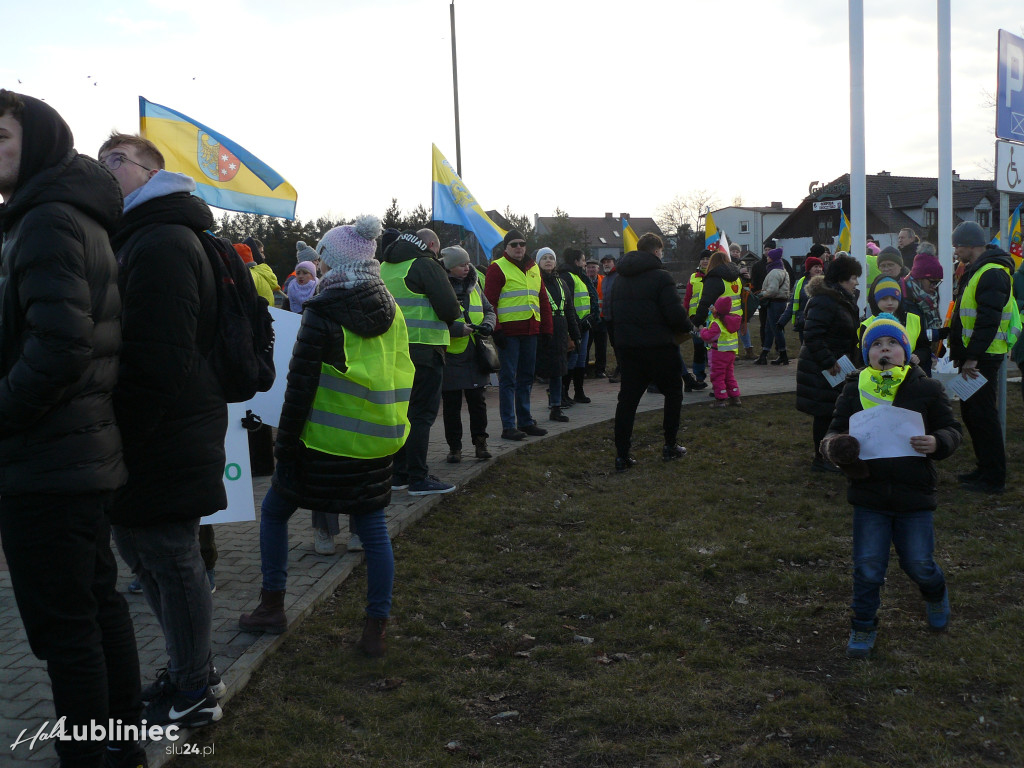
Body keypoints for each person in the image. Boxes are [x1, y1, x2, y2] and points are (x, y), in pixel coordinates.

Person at [0, 90, 147, 768]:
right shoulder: (65, 213)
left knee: (66, 631)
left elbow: (59, 350)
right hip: (78, 453)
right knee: (95, 607)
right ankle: (120, 750)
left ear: (38, 139)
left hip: (46, 461)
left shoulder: (44, 219)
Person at [97, 131, 226, 729]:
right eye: (102, 163)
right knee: (144, 555)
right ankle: (187, 670)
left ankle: (196, 688)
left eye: (118, 161)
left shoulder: (165, 240)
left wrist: (123, 432)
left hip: (164, 429)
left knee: (171, 560)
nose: (107, 171)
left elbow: (161, 356)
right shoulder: (137, 235)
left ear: (153, 172)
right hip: (155, 425)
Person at [239, 216, 407, 659]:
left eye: (323, 256)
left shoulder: (322, 309)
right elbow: (404, 370)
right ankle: (376, 628)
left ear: (331, 261)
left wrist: (284, 443)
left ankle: (271, 605)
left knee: (275, 512)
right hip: (375, 439)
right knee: (373, 529)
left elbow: (300, 385)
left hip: (320, 442)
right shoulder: (392, 308)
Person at [820, 313, 961, 658]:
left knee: (918, 563)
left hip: (914, 495)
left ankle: (935, 591)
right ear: (867, 354)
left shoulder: (926, 388)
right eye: (876, 345)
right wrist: (836, 447)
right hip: (870, 495)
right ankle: (863, 625)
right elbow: (832, 433)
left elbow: (952, 429)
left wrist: (937, 442)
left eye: (892, 344)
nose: (885, 350)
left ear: (906, 351)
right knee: (868, 567)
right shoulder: (854, 388)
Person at [380, 228, 461, 494]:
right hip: (425, 350)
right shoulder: (425, 264)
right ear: (430, 245)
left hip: (391, 351)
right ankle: (418, 477)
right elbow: (450, 309)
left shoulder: (384, 267)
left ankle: (399, 473)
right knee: (421, 415)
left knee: (401, 412)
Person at [609, 232, 691, 471]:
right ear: (657, 251)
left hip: (628, 348)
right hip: (659, 347)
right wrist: (688, 327)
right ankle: (670, 445)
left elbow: (612, 315)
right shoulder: (661, 277)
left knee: (627, 401)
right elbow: (674, 313)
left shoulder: (619, 278)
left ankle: (622, 455)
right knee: (674, 392)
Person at [948, 221, 1018, 494]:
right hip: (977, 354)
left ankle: (993, 477)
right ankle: (984, 468)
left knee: (983, 415)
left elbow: (988, 321)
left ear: (969, 245)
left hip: (983, 358)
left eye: (958, 246)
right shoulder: (978, 271)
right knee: (974, 413)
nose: (956, 251)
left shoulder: (991, 273)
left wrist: (973, 358)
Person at [484, 229, 553, 440]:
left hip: (531, 331)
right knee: (508, 380)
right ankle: (508, 426)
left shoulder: (533, 268)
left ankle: (525, 421)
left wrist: (547, 330)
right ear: (506, 248)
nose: (519, 247)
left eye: (522, 243)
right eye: (514, 244)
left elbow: (543, 300)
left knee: (525, 378)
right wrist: (496, 331)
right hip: (509, 334)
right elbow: (489, 303)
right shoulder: (497, 268)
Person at [796, 254, 863, 472]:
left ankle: (833, 454)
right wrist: (828, 361)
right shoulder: (825, 300)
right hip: (824, 368)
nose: (856, 282)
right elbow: (813, 335)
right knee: (825, 414)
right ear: (843, 278)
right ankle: (822, 458)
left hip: (837, 365)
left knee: (834, 411)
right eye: (854, 277)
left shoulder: (841, 299)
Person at [440, 245, 496, 459]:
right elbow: (433, 318)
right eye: (461, 264)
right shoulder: (439, 287)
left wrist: (489, 324)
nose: (466, 267)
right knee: (452, 405)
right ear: (449, 266)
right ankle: (455, 448)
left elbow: (489, 310)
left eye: (467, 263)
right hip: (451, 354)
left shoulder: (475, 283)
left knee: (478, 403)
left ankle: (481, 444)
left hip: (475, 352)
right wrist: (455, 330)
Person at [534, 248, 577, 421]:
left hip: (560, 329)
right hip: (542, 330)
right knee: (538, 370)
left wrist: (575, 333)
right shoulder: (534, 282)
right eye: (544, 258)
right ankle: (525, 413)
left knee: (558, 370)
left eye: (551, 257)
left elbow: (570, 310)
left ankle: (556, 407)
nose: (548, 261)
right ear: (538, 262)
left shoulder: (562, 283)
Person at [900, 243, 947, 375]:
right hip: (907, 363)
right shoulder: (902, 297)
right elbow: (907, 334)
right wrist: (937, 334)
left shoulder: (929, 297)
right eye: (932, 281)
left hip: (924, 358)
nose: (935, 286)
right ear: (919, 279)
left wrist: (937, 345)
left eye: (938, 282)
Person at [559, 247, 598, 405]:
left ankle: (579, 392)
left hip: (584, 324)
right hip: (574, 326)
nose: (584, 263)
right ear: (575, 261)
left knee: (581, 360)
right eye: (583, 260)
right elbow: (568, 303)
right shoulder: (567, 277)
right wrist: (575, 324)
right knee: (572, 360)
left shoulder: (579, 276)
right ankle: (563, 393)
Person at [699, 295, 742, 406]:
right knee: (729, 375)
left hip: (718, 354)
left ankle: (721, 399)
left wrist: (703, 330)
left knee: (718, 376)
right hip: (730, 353)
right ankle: (735, 397)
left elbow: (708, 337)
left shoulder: (717, 324)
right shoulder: (731, 321)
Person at [779, 255, 823, 344]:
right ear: (809, 269)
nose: (819, 269)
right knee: (805, 349)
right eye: (816, 266)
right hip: (803, 323)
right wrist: (782, 321)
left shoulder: (826, 283)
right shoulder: (801, 282)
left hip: (820, 323)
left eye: (820, 267)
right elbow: (793, 303)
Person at [759, 248, 791, 365]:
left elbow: (772, 290)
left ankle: (783, 354)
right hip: (781, 302)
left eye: (769, 256)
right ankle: (765, 353)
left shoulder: (774, 272)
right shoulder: (784, 271)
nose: (767, 257)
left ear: (773, 258)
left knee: (775, 329)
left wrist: (762, 294)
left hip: (774, 303)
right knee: (770, 328)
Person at [684, 250, 710, 382]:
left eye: (708, 258)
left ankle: (716, 375)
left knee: (711, 348)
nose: (705, 261)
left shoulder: (714, 277)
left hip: (711, 317)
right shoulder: (693, 277)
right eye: (703, 258)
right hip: (695, 318)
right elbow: (688, 298)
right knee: (699, 347)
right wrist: (685, 314)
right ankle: (699, 375)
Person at [587, 256, 608, 377]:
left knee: (601, 346)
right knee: (586, 346)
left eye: (593, 267)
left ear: (598, 269)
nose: (591, 270)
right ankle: (584, 369)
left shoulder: (604, 280)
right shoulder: (582, 281)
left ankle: (600, 370)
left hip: (601, 319)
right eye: (589, 267)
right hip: (587, 320)